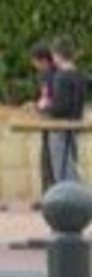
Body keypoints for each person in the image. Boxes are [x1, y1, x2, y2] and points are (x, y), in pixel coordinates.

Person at [41, 36, 87, 183]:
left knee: (63, 172)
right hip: (74, 127)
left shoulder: (61, 77)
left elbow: (60, 108)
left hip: (59, 129)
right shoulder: (80, 75)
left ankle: (73, 197)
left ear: (58, 55)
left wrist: (45, 106)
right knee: (71, 166)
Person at [29, 42, 57, 193]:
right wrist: (35, 105)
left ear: (44, 60)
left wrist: (38, 107)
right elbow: (44, 97)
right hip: (47, 120)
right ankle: (47, 193)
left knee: (51, 159)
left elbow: (53, 99)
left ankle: (52, 194)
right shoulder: (45, 75)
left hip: (55, 121)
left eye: (36, 62)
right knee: (46, 158)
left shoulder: (55, 75)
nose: (35, 66)